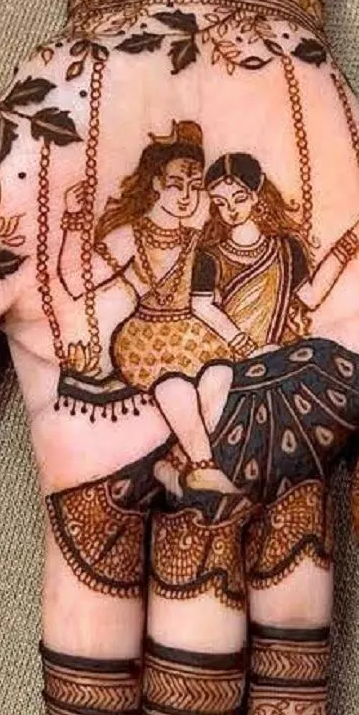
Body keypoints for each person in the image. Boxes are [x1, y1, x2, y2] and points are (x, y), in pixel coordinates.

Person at [57, 121, 242, 497]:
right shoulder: (133, 235)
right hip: (145, 339)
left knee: (221, 375)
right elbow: (76, 282)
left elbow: (207, 298)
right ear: (157, 183)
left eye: (194, 186)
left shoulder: (196, 240)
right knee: (175, 385)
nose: (186, 196)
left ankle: (176, 462)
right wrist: (74, 220)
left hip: (192, 334)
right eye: (176, 184)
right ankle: (203, 469)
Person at [193, 151, 359, 349]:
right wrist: (247, 348)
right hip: (232, 355)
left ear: (255, 196)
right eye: (220, 202)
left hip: (280, 351)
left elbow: (310, 297)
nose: (231, 209)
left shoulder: (286, 249)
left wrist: (351, 241)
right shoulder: (210, 256)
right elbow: (201, 306)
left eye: (239, 199)